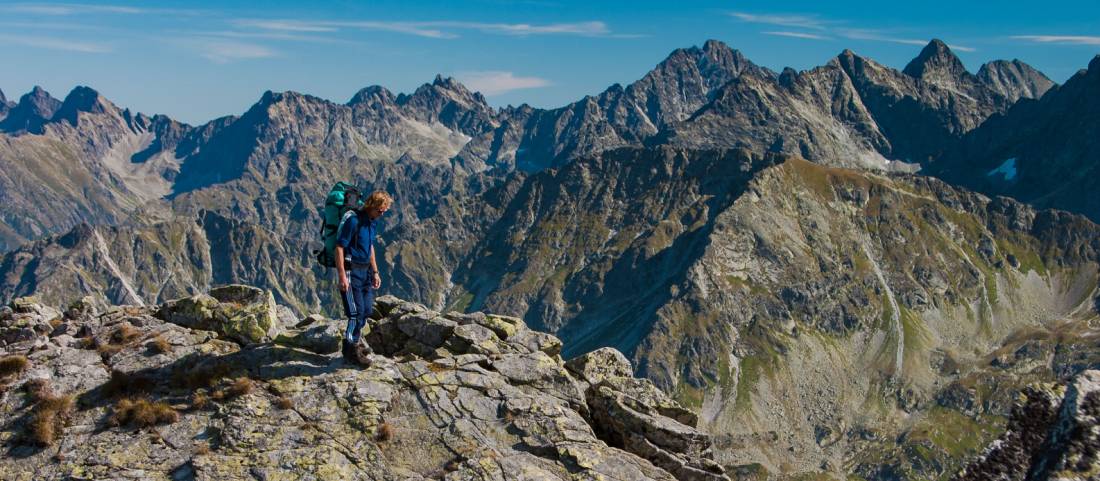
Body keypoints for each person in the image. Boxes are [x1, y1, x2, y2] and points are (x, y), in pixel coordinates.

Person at [335, 190, 392, 364]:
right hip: (352, 272)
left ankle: (353, 344)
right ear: (371, 206)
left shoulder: (372, 222)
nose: (382, 214)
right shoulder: (353, 221)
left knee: (367, 310)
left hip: (366, 271)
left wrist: (375, 271)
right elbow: (339, 247)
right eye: (380, 210)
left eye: (384, 211)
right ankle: (351, 351)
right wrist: (342, 276)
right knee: (356, 313)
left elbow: (370, 247)